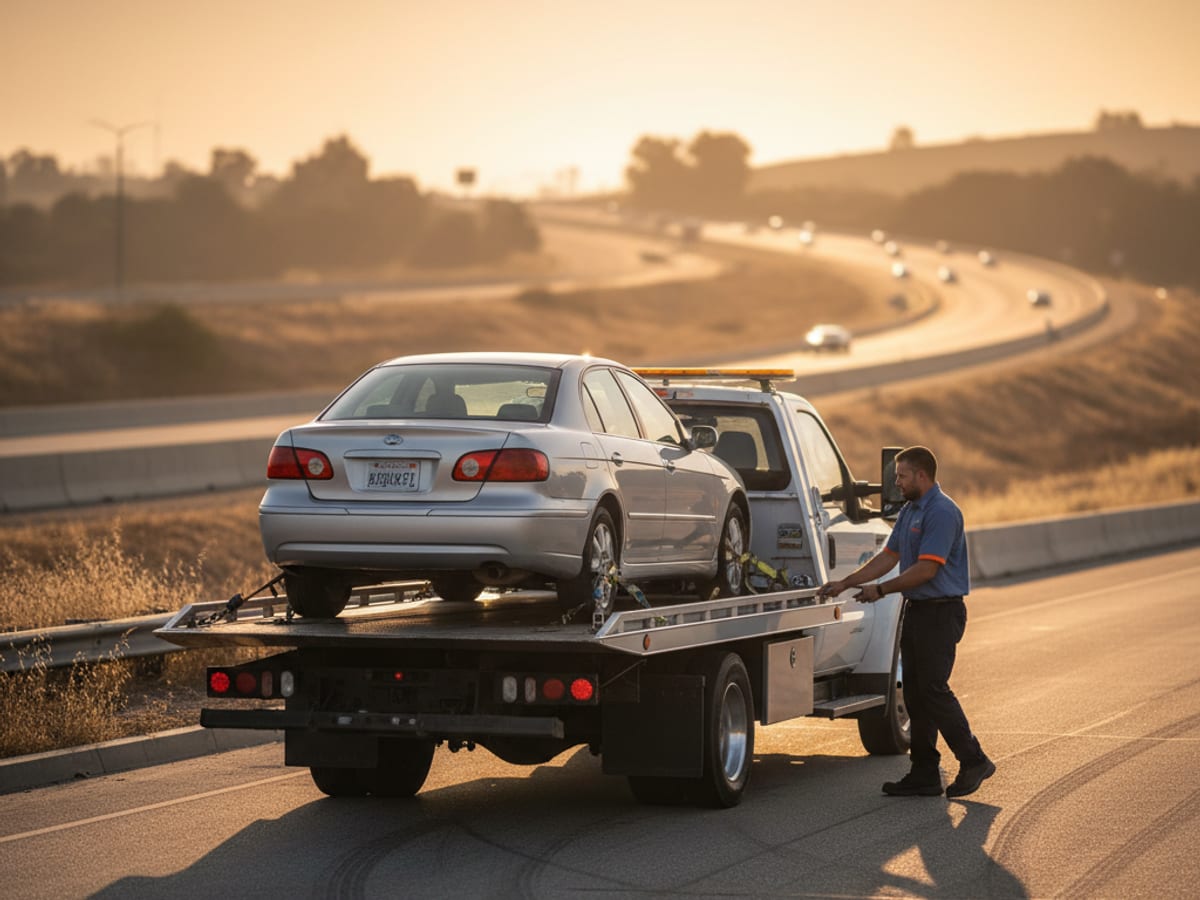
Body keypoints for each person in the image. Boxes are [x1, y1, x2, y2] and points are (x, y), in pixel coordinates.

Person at [816, 445, 994, 798]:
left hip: (941, 613)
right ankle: (924, 771)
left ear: (922, 476)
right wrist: (846, 583)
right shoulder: (912, 511)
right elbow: (889, 556)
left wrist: (879, 591)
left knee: (932, 689)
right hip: (917, 611)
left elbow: (927, 569)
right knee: (913, 692)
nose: (895, 482)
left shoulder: (942, 512)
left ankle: (973, 759)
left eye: (901, 475)